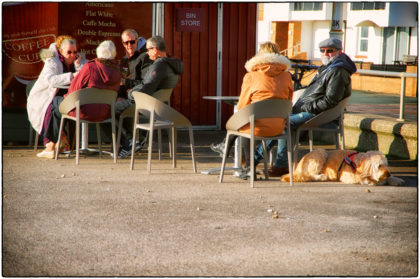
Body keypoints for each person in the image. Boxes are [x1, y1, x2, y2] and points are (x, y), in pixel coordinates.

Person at [257, 37, 357, 176]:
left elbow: (331, 100)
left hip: (320, 114)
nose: (326, 53)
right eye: (323, 50)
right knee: (278, 119)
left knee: (284, 123)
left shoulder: (338, 71)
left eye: (330, 51)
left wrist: (307, 107)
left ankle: (278, 164)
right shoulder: (328, 68)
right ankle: (257, 159)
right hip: (312, 110)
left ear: (339, 52)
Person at [212, 41, 293, 179]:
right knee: (247, 122)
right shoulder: (287, 76)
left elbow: (242, 106)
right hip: (278, 128)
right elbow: (289, 101)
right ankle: (227, 147)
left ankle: (244, 162)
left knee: (243, 123)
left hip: (257, 127)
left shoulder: (251, 76)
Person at [33, 40, 122, 158]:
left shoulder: (90, 66)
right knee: (62, 104)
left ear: (98, 52)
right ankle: (68, 144)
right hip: (106, 113)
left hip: (84, 112)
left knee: (55, 102)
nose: (72, 54)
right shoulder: (117, 70)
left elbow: (74, 90)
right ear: (114, 54)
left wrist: (66, 98)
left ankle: (50, 146)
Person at [115, 35, 184, 158]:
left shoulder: (159, 65)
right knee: (118, 107)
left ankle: (130, 142)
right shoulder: (170, 64)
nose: (146, 53)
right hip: (157, 104)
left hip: (147, 104)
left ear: (155, 50)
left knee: (112, 109)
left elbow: (147, 88)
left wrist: (130, 94)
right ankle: (134, 141)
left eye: (148, 50)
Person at [27, 35, 85, 158]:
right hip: (44, 97)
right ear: (61, 51)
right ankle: (50, 144)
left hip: (64, 97)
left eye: (75, 52)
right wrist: (72, 75)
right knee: (55, 106)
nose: (72, 55)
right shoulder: (52, 61)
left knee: (68, 104)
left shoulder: (76, 61)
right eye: (69, 52)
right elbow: (51, 80)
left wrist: (78, 65)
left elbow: (83, 77)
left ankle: (57, 145)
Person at [119, 28, 153, 98]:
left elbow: (146, 83)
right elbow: (122, 79)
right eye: (126, 43)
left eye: (132, 42)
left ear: (137, 41)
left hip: (138, 98)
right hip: (125, 96)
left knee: (113, 108)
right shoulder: (124, 60)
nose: (129, 45)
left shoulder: (145, 57)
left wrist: (125, 82)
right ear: (123, 43)